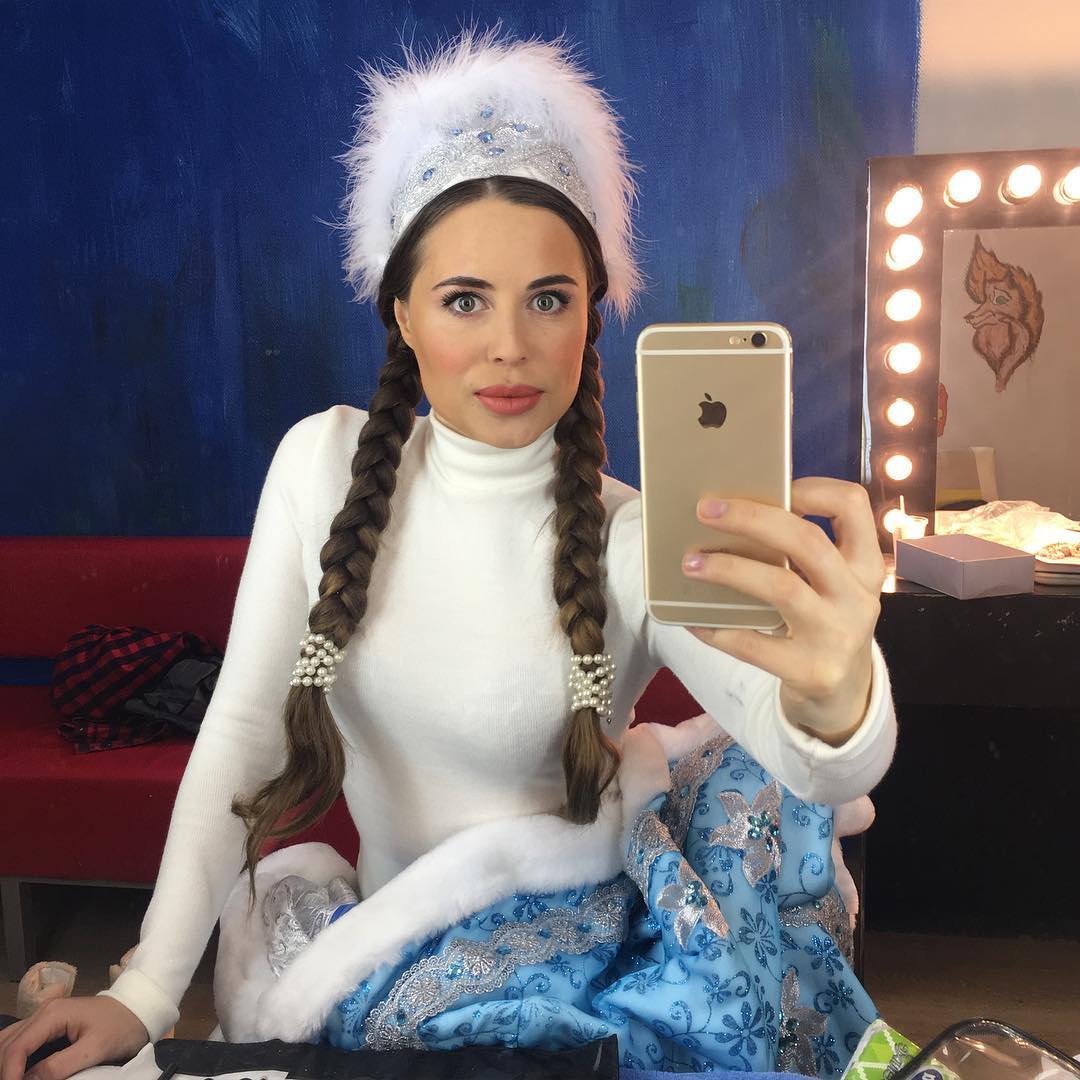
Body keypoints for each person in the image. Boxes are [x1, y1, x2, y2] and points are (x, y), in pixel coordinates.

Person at [0, 29, 895, 1080]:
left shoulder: (630, 537)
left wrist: (841, 694)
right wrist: (146, 993)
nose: (510, 344)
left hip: (575, 974)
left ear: (589, 317)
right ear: (404, 315)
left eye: (549, 298)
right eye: (465, 298)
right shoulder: (320, 468)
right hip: (382, 972)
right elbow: (242, 732)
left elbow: (811, 754)